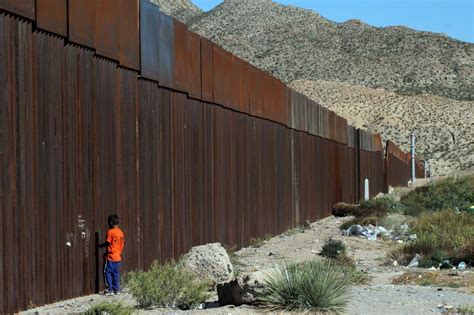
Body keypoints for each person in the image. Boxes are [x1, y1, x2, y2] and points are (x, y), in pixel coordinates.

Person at [98, 214, 125, 295]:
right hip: (118, 257)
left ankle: (110, 289)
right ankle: (116, 289)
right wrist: (118, 252)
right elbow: (121, 244)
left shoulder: (110, 232)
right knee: (116, 274)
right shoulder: (121, 232)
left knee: (107, 272)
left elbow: (108, 243)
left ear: (111, 223)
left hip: (110, 257)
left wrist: (100, 245)